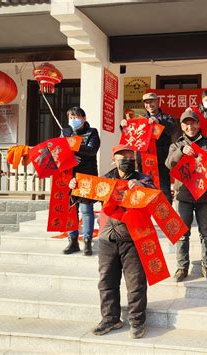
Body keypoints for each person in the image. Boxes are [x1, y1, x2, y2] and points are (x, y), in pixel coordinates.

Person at [71, 145, 156, 339]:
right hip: (108, 236)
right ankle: (110, 318)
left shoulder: (143, 179)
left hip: (133, 237)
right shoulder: (105, 180)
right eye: (122, 156)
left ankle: (137, 321)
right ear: (113, 160)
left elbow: (153, 192)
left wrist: (141, 187)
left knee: (136, 282)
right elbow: (86, 197)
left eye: (129, 156)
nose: (126, 159)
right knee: (106, 280)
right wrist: (74, 187)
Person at [165, 108, 207, 283]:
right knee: (181, 233)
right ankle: (182, 267)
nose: (190, 126)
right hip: (183, 196)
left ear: (198, 124)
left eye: (193, 122)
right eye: (186, 123)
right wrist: (182, 152)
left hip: (204, 197)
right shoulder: (176, 144)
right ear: (182, 126)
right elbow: (168, 163)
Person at [120, 92, 177, 203]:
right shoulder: (141, 120)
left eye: (152, 101)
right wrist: (123, 126)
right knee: (145, 191)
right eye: (146, 102)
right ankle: (147, 218)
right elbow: (131, 137)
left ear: (157, 102)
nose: (149, 105)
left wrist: (159, 122)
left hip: (161, 162)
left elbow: (172, 129)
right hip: (144, 161)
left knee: (164, 193)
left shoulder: (166, 117)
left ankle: (165, 218)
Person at [61, 107, 100, 256]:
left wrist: (72, 144)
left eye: (76, 116)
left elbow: (91, 150)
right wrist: (69, 158)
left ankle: (88, 241)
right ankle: (72, 241)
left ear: (83, 118)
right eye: (70, 117)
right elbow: (59, 150)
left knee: (86, 209)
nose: (73, 120)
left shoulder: (93, 132)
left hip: (87, 175)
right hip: (69, 175)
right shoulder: (65, 132)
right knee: (71, 209)